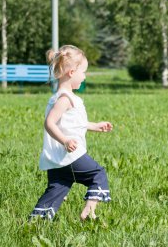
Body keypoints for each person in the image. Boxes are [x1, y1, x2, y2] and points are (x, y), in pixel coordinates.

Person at [29, 45, 112, 221]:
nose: (85, 76)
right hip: (70, 155)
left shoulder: (61, 97)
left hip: (57, 159)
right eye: (83, 72)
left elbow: (73, 124)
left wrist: (95, 126)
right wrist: (65, 140)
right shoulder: (65, 99)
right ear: (72, 72)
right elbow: (49, 123)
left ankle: (35, 223)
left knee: (56, 189)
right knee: (98, 174)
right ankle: (88, 212)